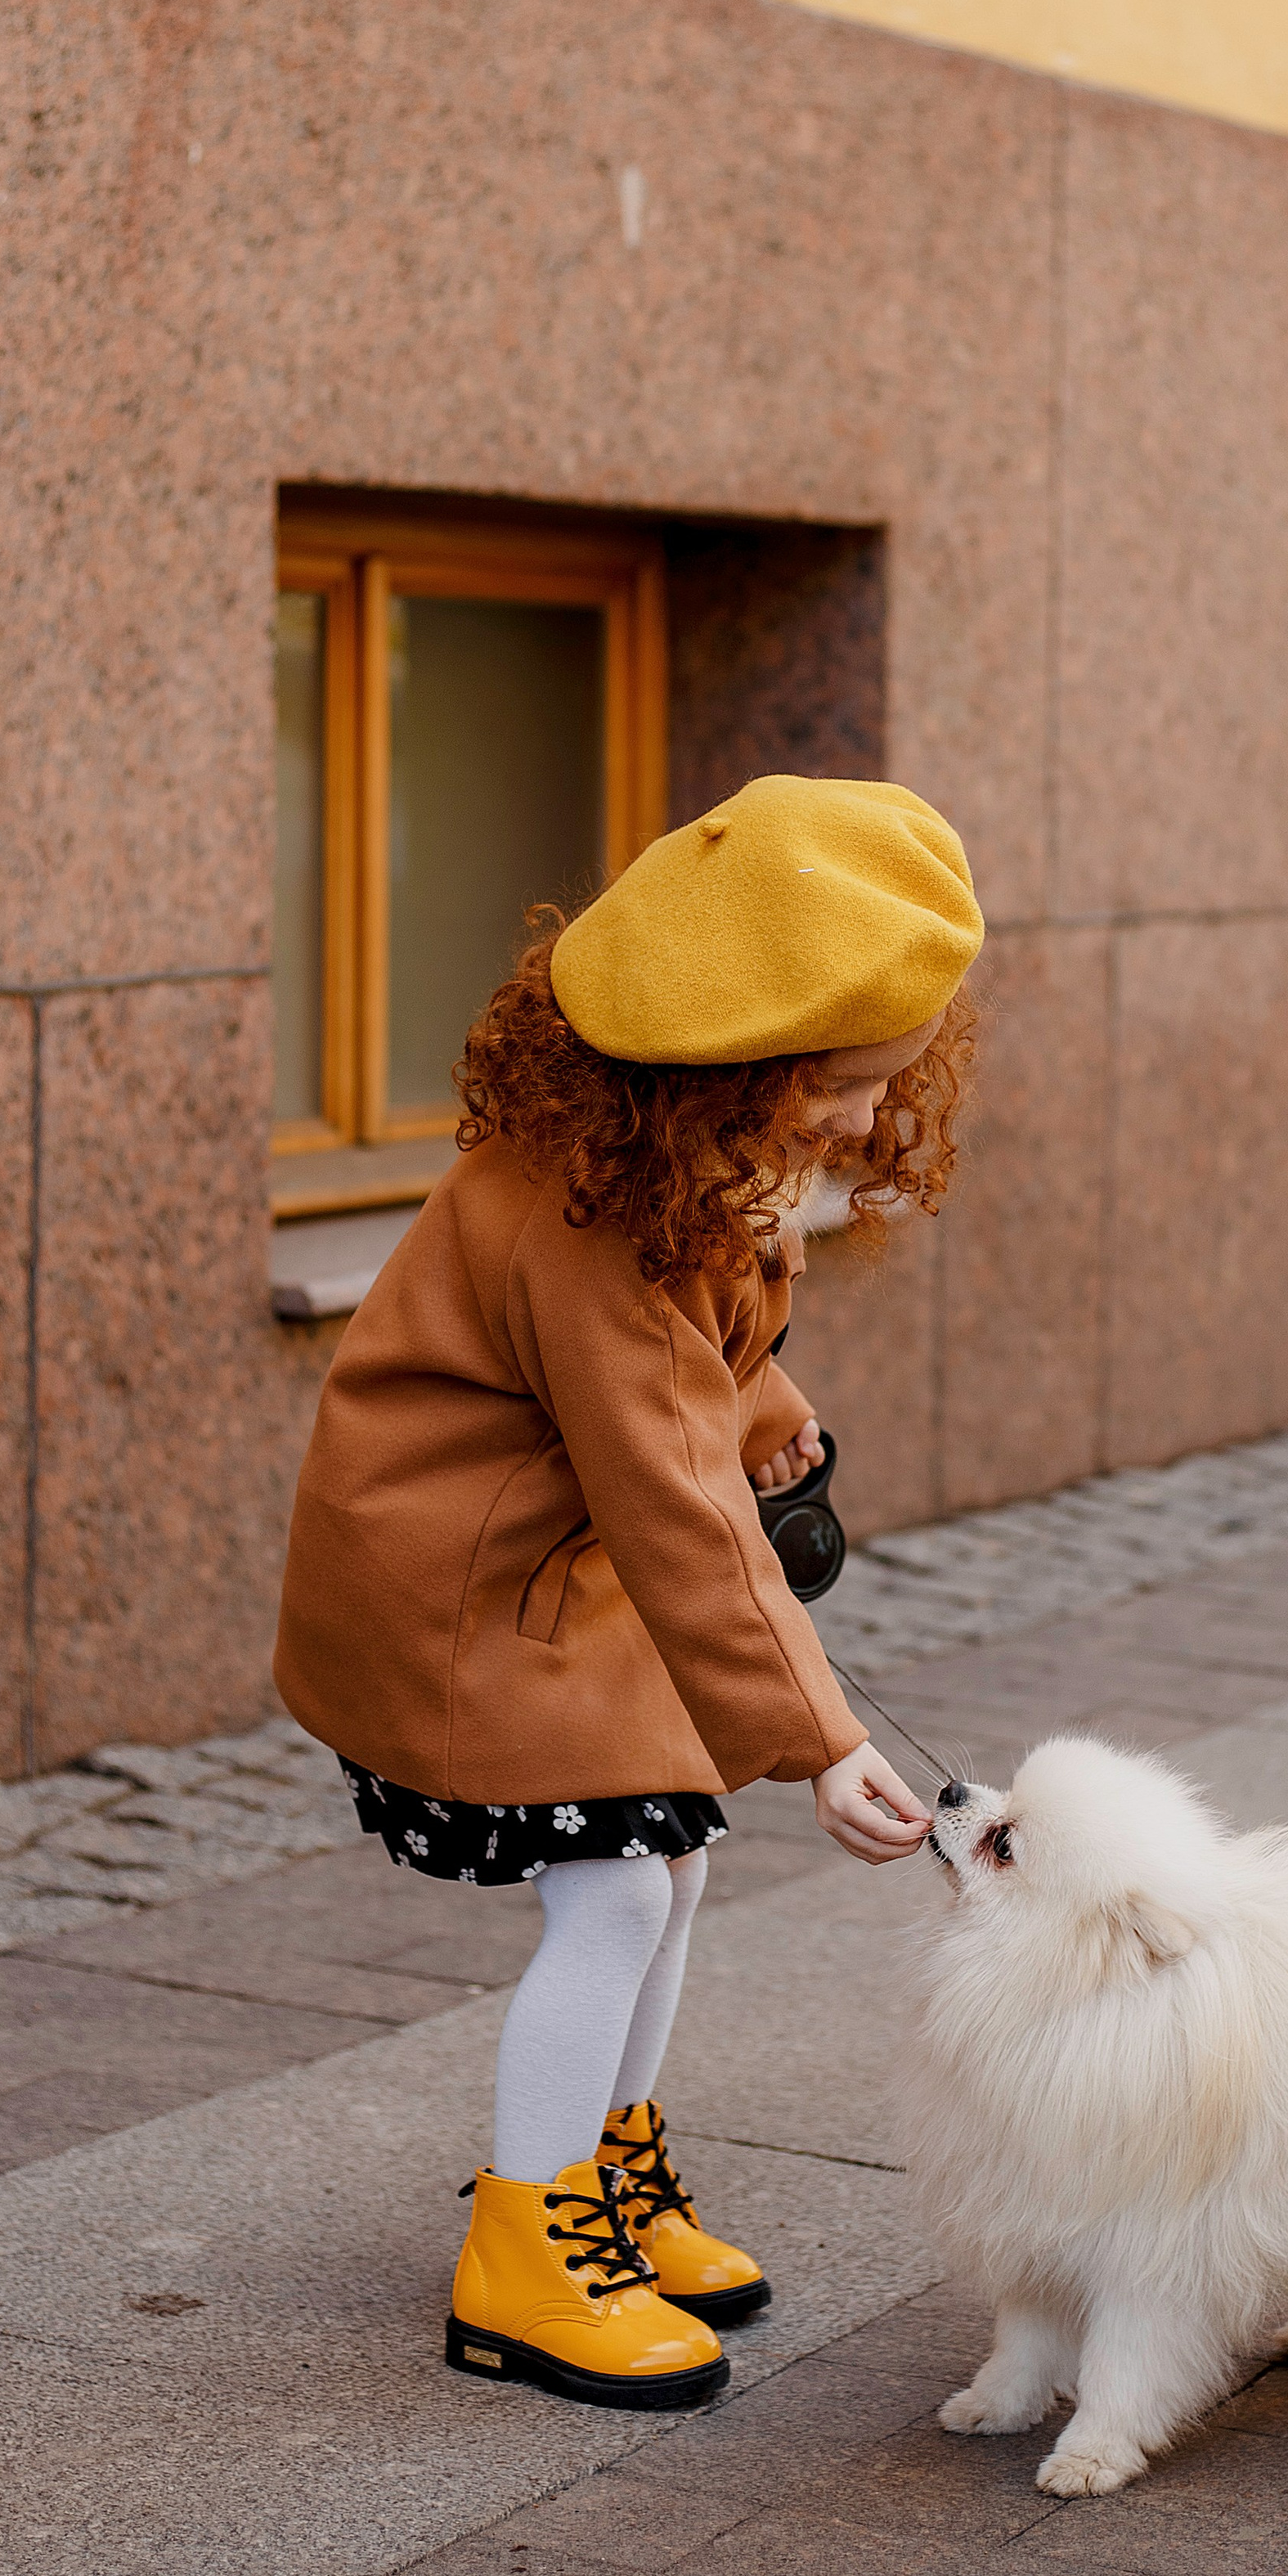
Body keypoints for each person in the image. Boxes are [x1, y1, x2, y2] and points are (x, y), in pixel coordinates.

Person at [274, 775, 982, 2407]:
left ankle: (596, 2170)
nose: (870, 1123)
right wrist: (818, 1737)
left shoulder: (666, 1163)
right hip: (463, 1600)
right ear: (738, 1068)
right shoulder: (579, 1217)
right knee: (616, 1892)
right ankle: (523, 2256)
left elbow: (695, 1379)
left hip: (549, 1568)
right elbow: (662, 1484)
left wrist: (776, 1417)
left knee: (665, 1864)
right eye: (847, 1089)